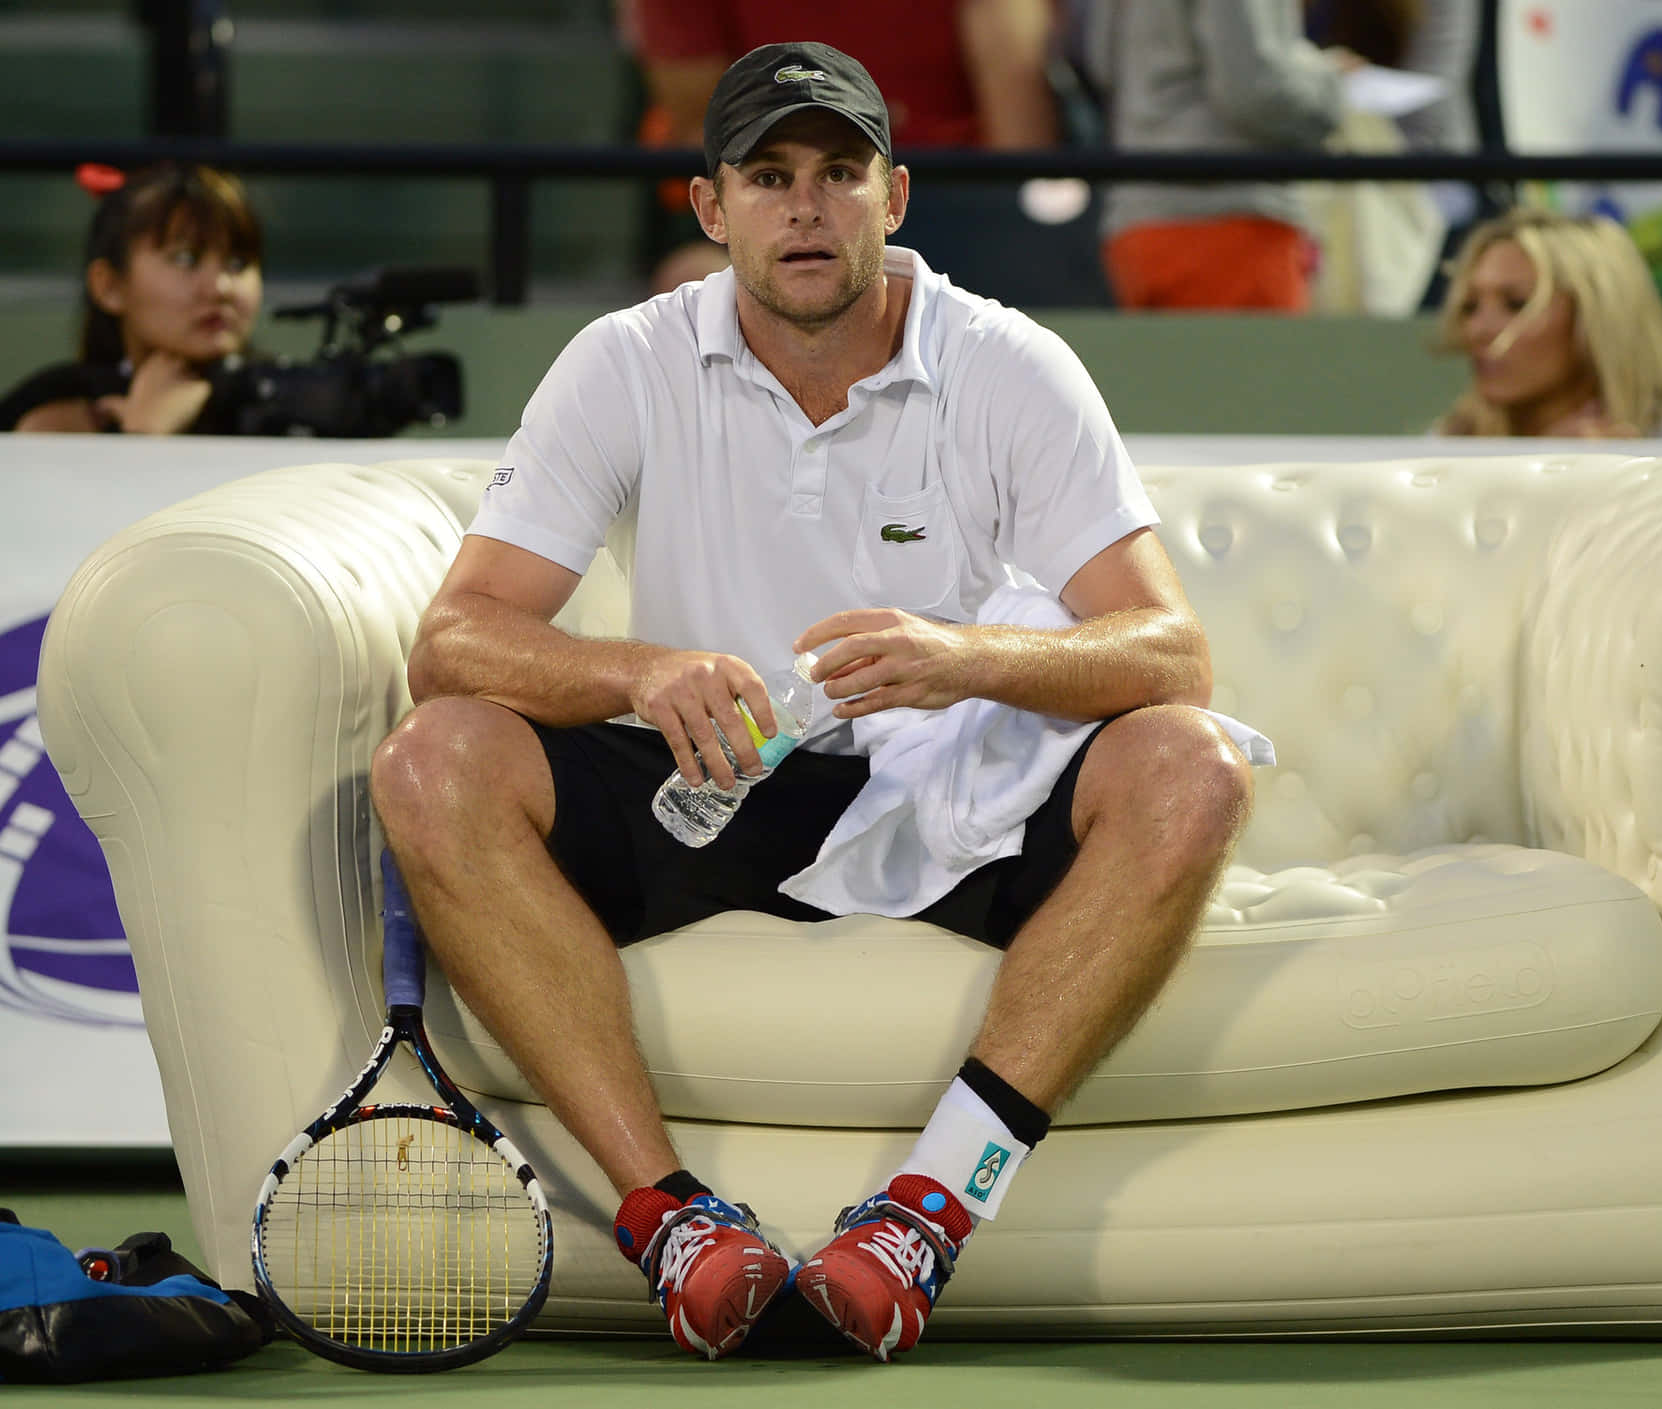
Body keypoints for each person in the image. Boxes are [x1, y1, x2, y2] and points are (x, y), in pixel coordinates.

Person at [369, 41, 1256, 1365]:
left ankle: (923, 1220)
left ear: (894, 198)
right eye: (770, 175)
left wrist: (965, 657)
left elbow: (1173, 654)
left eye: (839, 173)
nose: (806, 207)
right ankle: (674, 1225)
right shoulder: (626, 362)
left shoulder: (1009, 363)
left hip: (945, 791)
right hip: (710, 781)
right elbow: (455, 639)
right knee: (434, 760)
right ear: (709, 206)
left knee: (1193, 765)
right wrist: (641, 670)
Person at [620, 0, 1062, 298]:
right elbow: (703, 125)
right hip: (767, 199)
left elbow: (1023, 150)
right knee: (693, 278)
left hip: (962, 206)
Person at [1081, 0, 1349, 311]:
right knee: (1259, 361)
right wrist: (1335, 85)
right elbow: (1255, 91)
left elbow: (1101, 61)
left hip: (1137, 223)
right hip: (1233, 220)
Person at [1435, 207, 1662, 440]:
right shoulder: (1454, 437)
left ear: (1595, 315)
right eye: (1470, 306)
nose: (1478, 329)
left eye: (1517, 304)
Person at [0, 162, 264, 434]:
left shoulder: (288, 400)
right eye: (185, 259)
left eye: (237, 264)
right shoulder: (57, 405)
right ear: (110, 286)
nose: (220, 288)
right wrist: (142, 436)